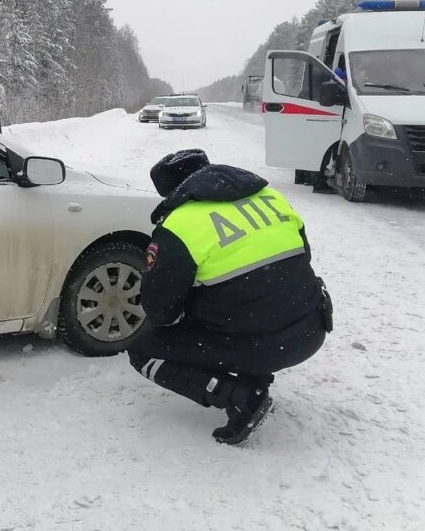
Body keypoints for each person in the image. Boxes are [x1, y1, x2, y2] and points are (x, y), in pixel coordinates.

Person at [128, 149, 332, 445]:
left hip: (263, 343)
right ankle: (255, 377)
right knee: (257, 299)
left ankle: (241, 397)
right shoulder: (270, 198)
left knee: (145, 349)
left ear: (172, 191)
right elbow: (300, 259)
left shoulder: (181, 225)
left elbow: (160, 311)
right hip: (312, 329)